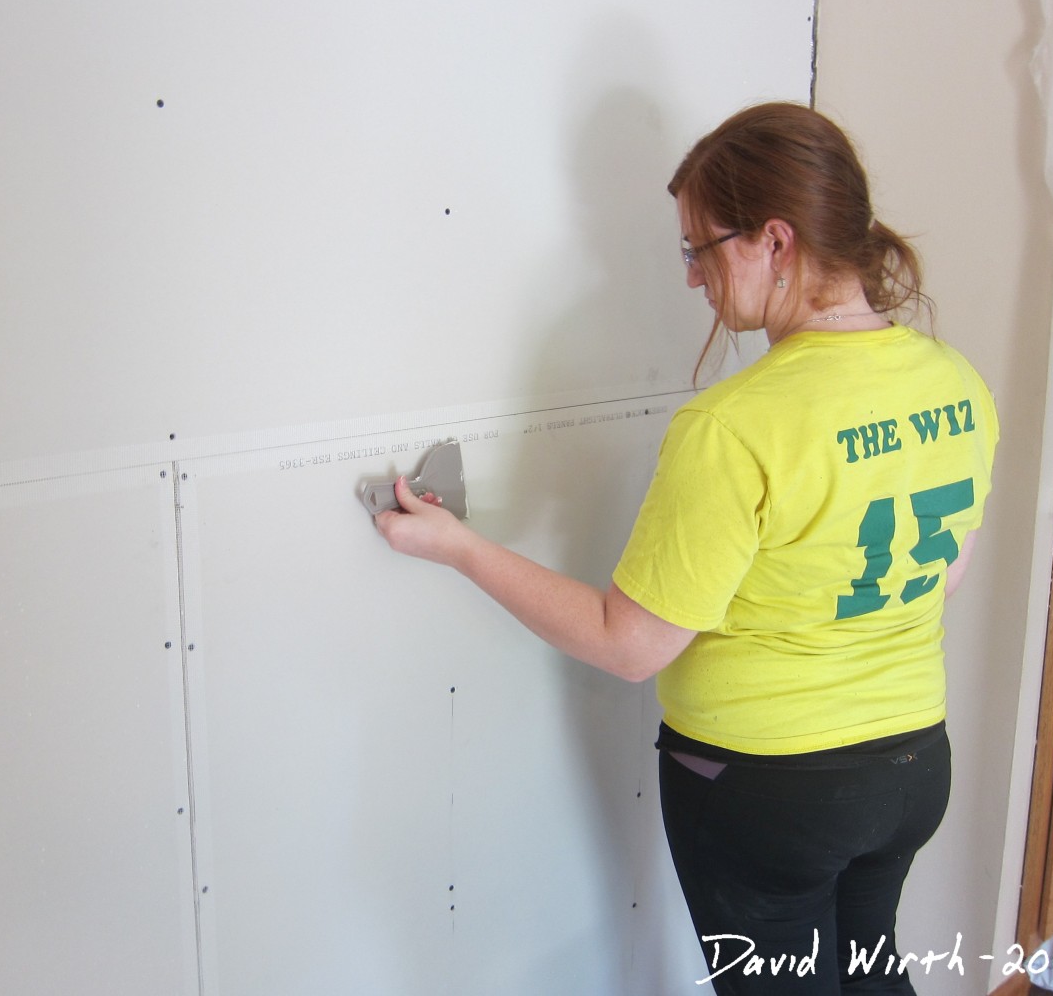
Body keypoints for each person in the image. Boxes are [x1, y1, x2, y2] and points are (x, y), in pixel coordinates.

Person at [373, 101, 998, 995]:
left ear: (774, 241)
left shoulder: (735, 426)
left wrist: (460, 549)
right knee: (872, 976)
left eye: (702, 248)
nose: (694, 279)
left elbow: (628, 643)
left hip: (768, 793)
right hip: (909, 772)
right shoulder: (955, 381)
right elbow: (946, 573)